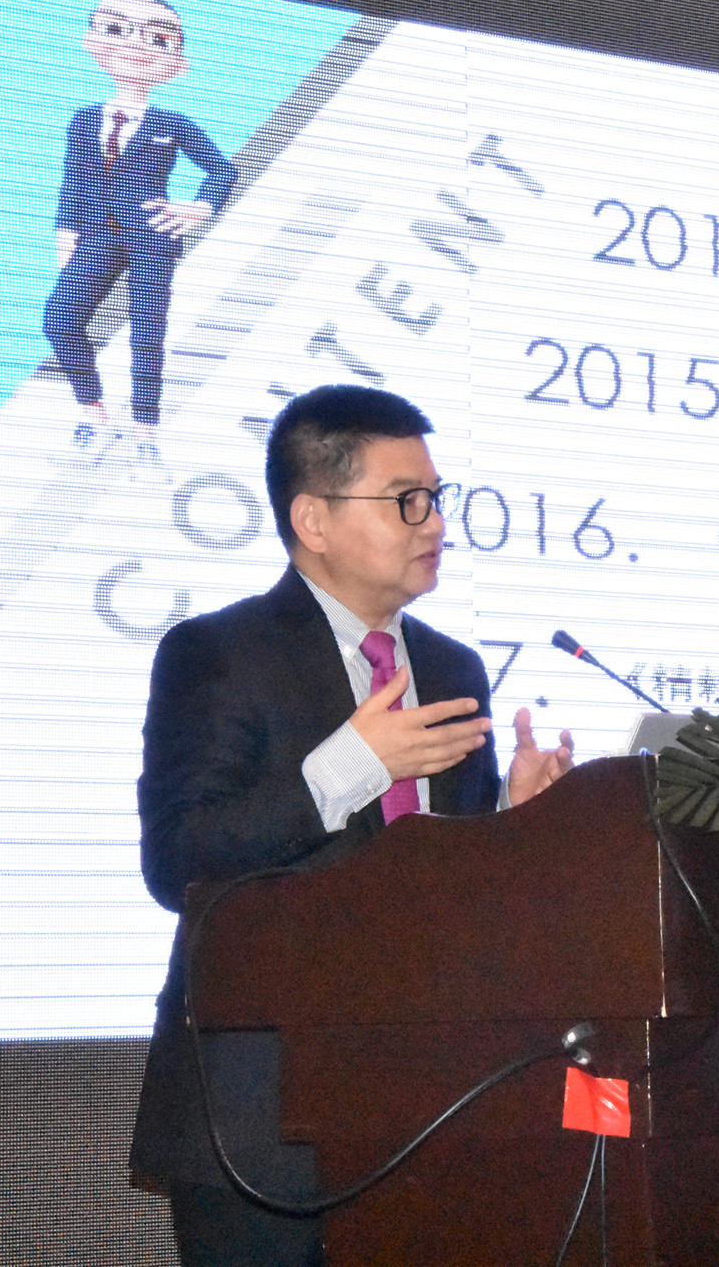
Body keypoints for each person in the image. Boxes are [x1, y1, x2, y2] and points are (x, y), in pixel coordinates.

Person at [129, 384, 574, 1265]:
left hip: (431, 1106)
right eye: (405, 500)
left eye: (436, 497)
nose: (433, 522)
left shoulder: (451, 669)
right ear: (313, 520)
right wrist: (347, 768)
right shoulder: (218, 653)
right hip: (260, 1117)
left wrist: (514, 824)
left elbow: (449, 888)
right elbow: (178, 858)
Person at [42, 0, 237, 482]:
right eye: (117, 30)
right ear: (92, 41)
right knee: (59, 319)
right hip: (97, 236)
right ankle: (95, 417)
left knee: (147, 335)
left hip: (151, 236)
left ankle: (144, 438)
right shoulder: (84, 119)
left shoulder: (174, 123)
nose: (136, 46)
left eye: (157, 40)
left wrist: (198, 208)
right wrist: (65, 230)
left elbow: (222, 170)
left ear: (178, 63)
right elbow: (73, 179)